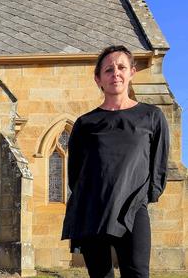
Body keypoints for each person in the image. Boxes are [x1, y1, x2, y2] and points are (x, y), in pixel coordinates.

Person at [61, 45, 169, 278]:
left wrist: (143, 198)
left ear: (132, 72)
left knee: (137, 273)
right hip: (93, 212)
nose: (115, 73)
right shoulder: (85, 124)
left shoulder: (151, 117)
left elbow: (158, 169)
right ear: (98, 79)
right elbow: (75, 175)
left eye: (121, 67)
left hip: (132, 210)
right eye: (108, 70)